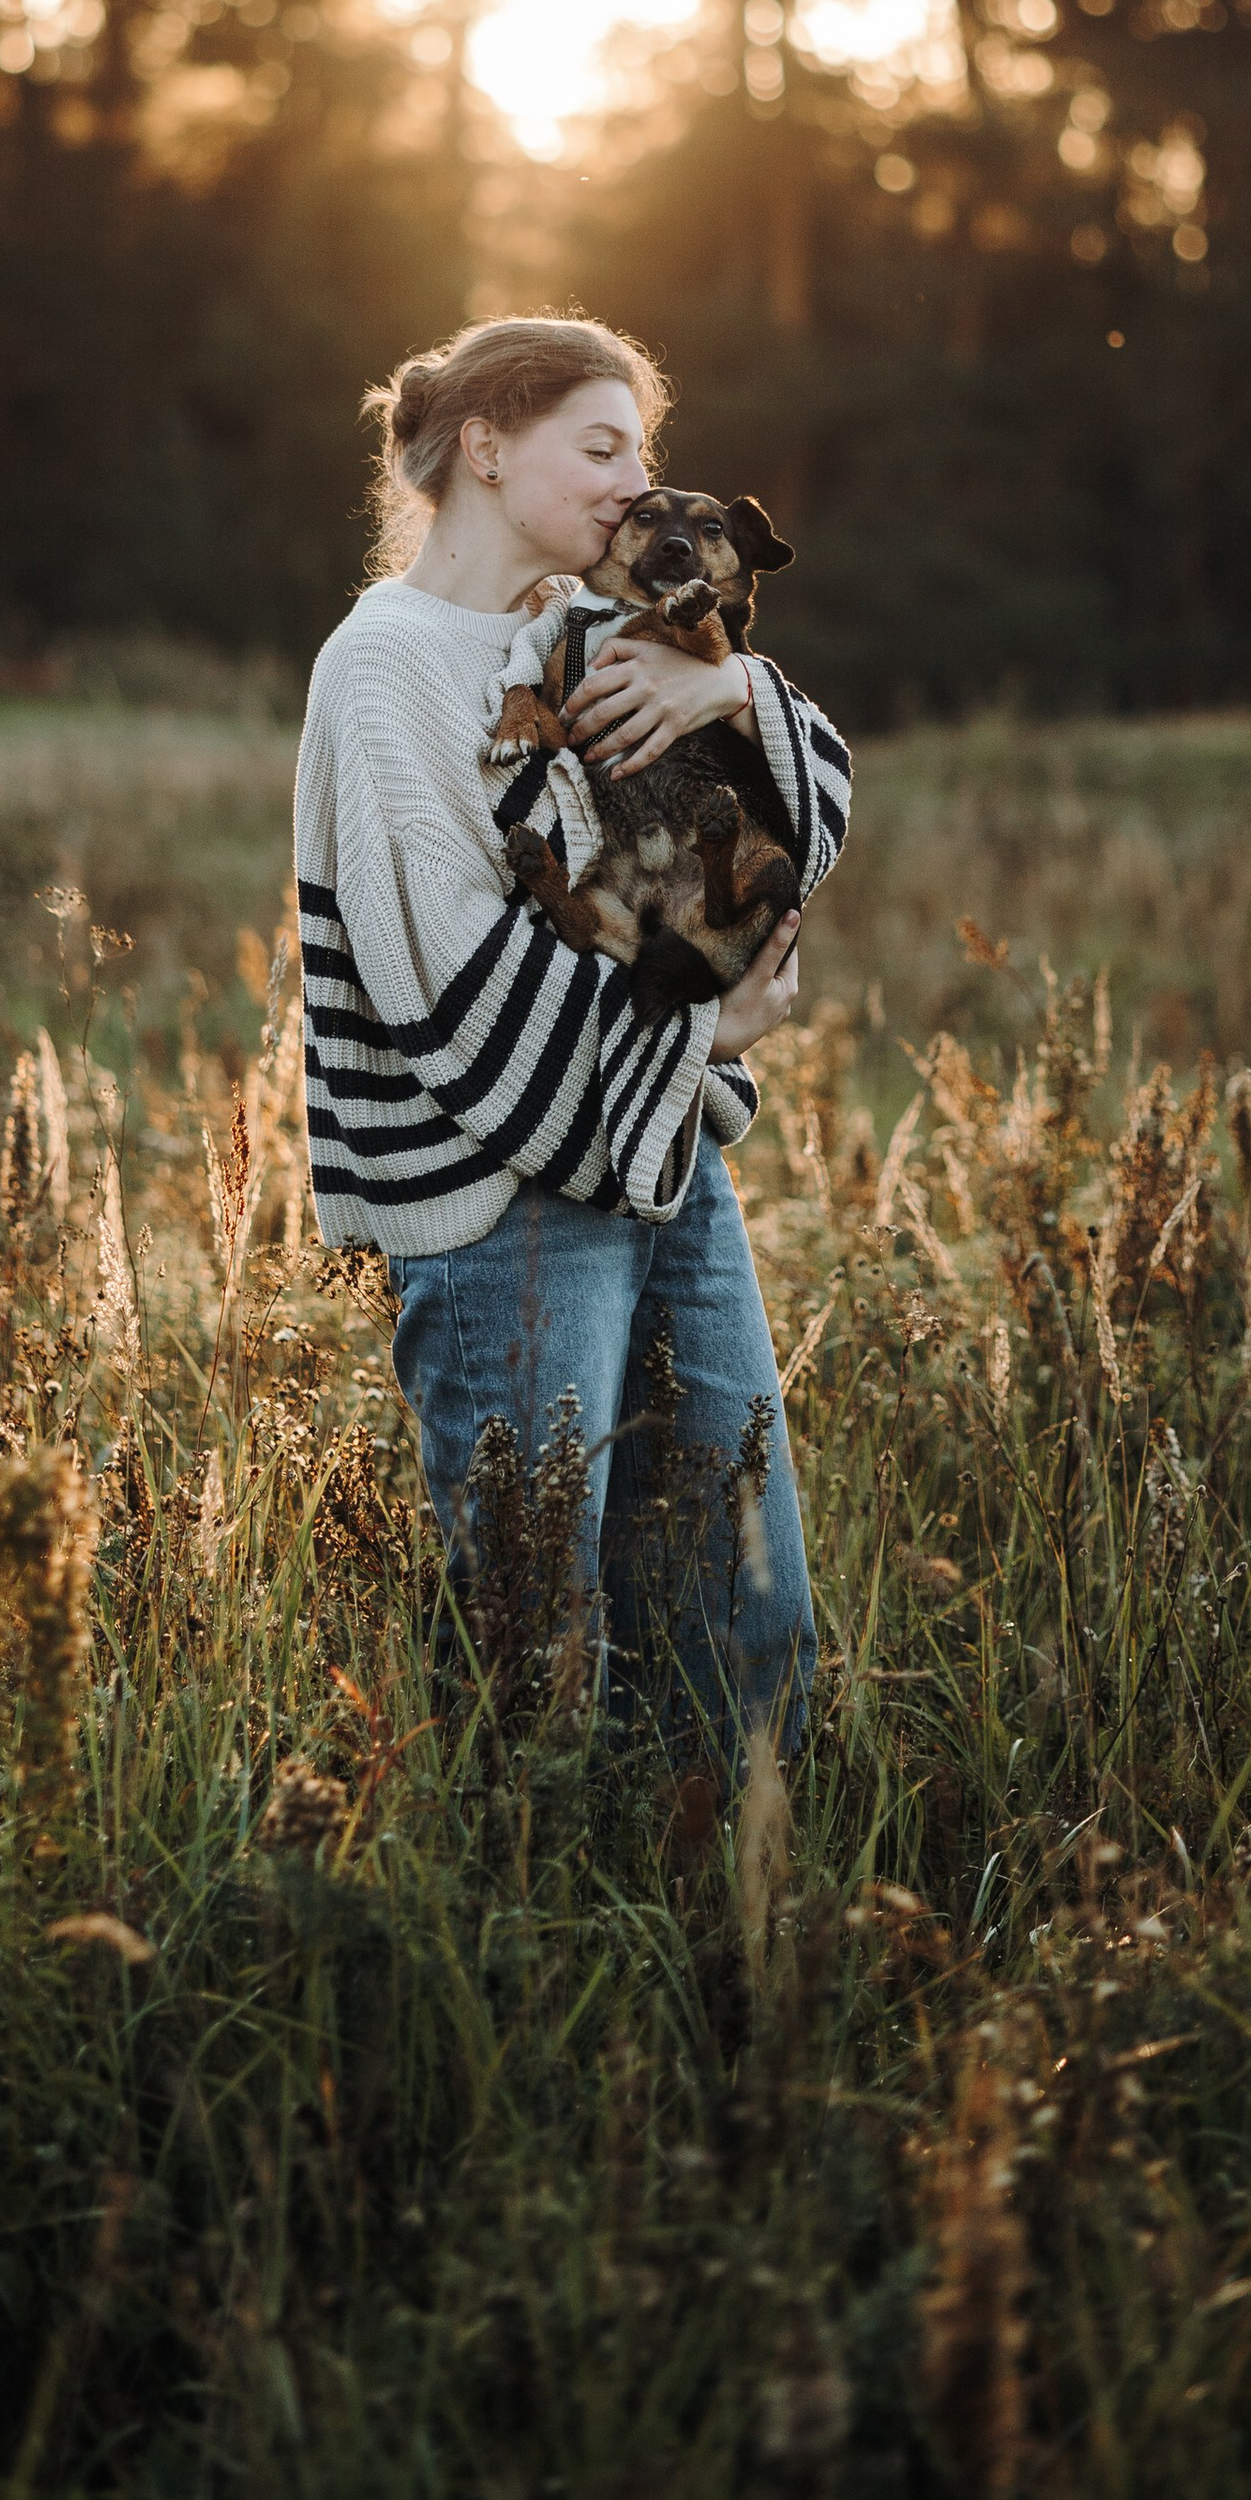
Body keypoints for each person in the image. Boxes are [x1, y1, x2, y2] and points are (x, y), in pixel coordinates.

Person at [294, 312, 851, 1754]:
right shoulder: (387, 667)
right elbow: (449, 990)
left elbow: (815, 824)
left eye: (642, 453)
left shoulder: (597, 635)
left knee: (747, 1611)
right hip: (506, 1215)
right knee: (539, 1647)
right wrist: (706, 1038)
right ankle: (526, 1959)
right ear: (484, 447)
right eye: (599, 447)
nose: (631, 482)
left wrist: (728, 685)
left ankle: (729, 1938)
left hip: (662, 1170)